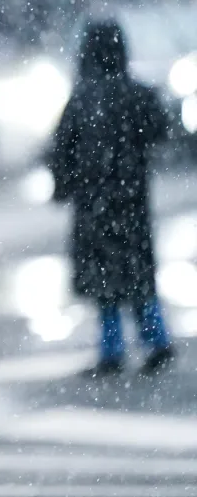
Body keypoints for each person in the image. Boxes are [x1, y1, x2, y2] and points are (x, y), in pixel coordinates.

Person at [49, 20, 173, 377]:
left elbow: (62, 151)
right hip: (132, 202)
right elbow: (160, 132)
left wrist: (64, 186)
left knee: (103, 283)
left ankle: (112, 349)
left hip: (93, 206)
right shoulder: (138, 96)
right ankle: (156, 340)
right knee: (138, 276)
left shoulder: (81, 100)